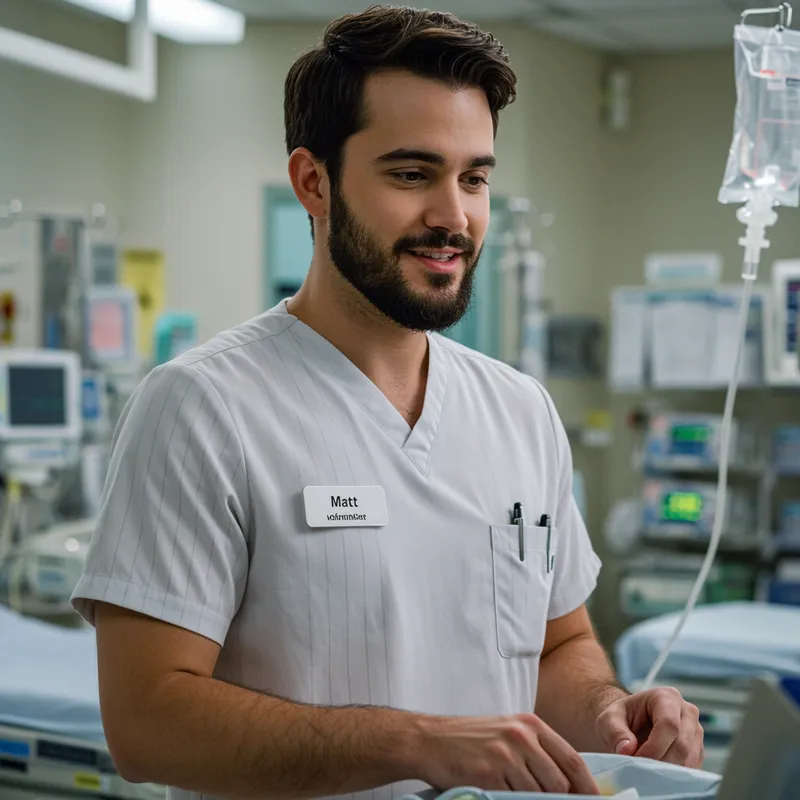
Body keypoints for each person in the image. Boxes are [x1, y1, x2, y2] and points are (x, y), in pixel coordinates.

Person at [71, 6, 704, 799]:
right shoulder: (203, 407)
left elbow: (556, 647)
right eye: (412, 174)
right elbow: (147, 722)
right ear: (313, 181)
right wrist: (417, 743)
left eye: (474, 177)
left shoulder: (519, 411)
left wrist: (613, 714)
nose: (455, 217)